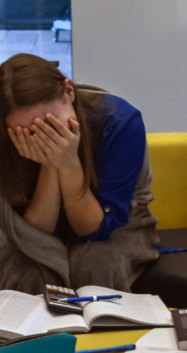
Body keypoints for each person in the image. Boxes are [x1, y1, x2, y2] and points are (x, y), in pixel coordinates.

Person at [0, 53, 159, 295]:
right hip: (22, 228)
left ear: (69, 91)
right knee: (27, 269)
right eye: (31, 133)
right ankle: (36, 334)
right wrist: (51, 164)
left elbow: (93, 229)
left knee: (95, 265)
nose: (47, 140)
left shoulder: (119, 121)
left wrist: (68, 164)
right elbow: (34, 233)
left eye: (52, 126)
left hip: (119, 224)